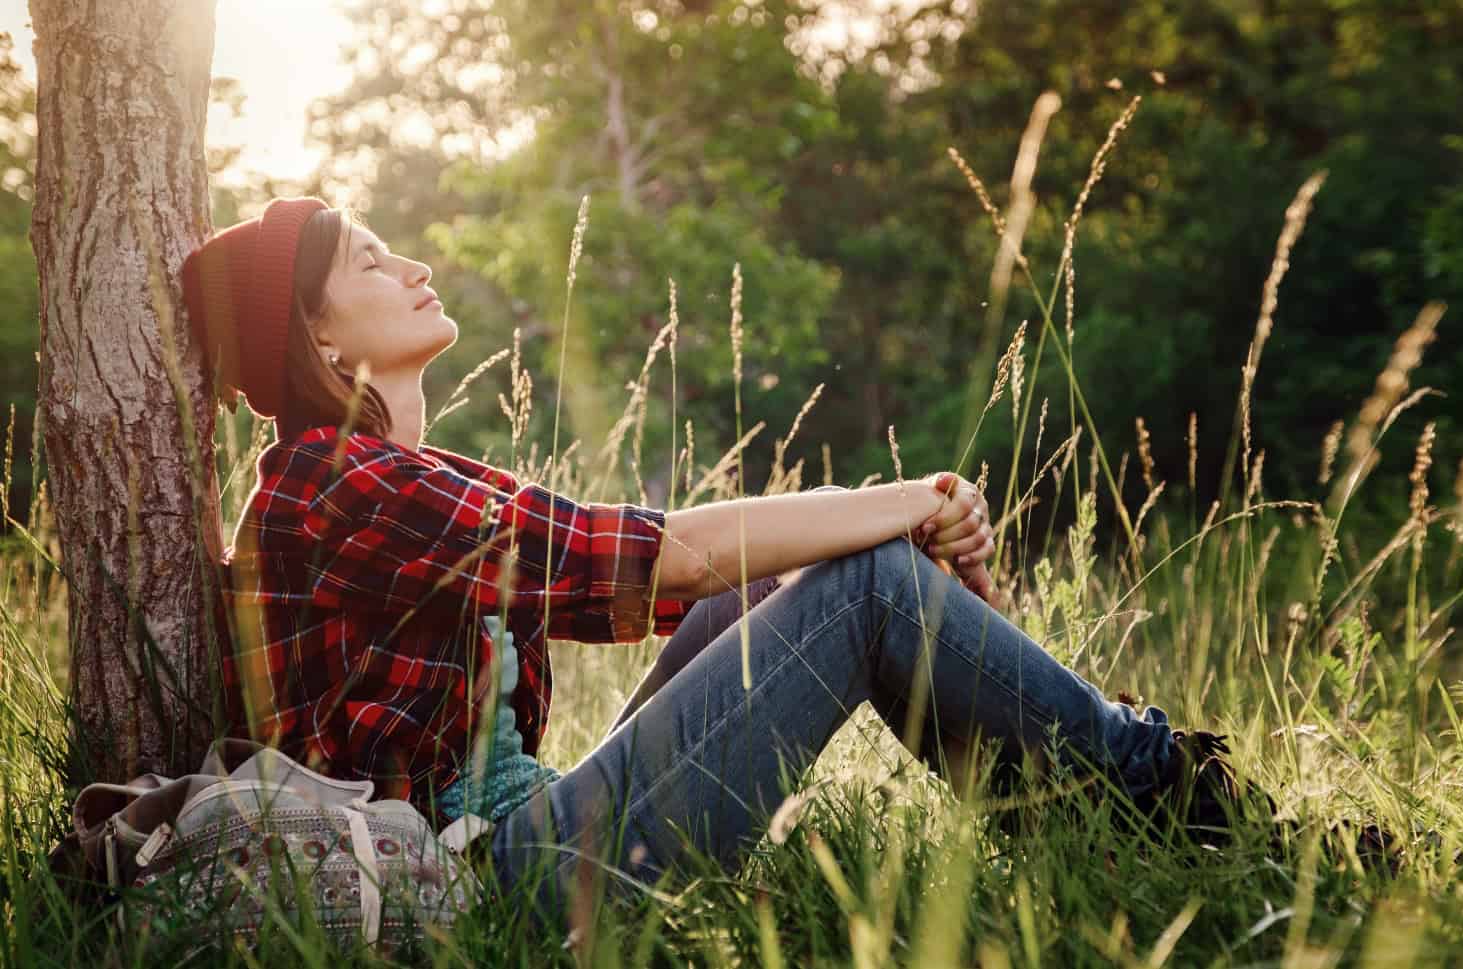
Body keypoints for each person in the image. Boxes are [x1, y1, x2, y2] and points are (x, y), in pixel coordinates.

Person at [183, 198, 1255, 920]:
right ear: (320, 339)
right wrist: (906, 507)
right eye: (372, 262)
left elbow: (686, 576)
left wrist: (883, 515)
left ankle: (1085, 823)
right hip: (493, 885)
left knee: (815, 569)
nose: (415, 266)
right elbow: (654, 561)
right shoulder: (330, 483)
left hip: (523, 834)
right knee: (863, 584)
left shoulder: (396, 474)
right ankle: (1166, 792)